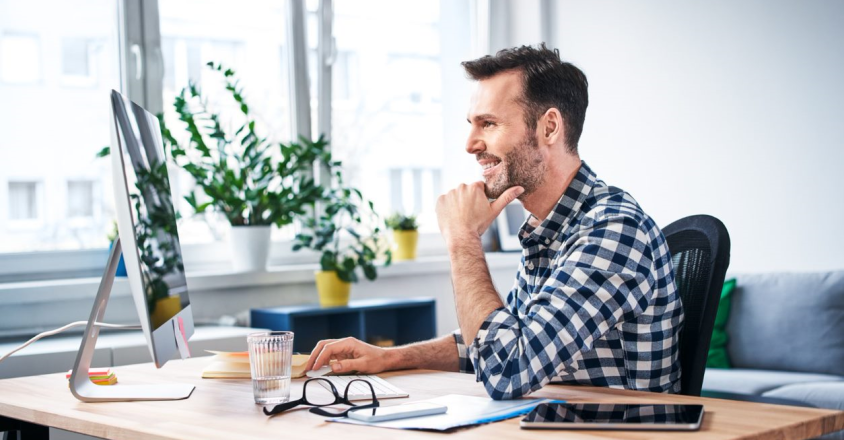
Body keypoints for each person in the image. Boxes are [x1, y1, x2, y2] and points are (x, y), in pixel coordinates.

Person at [305, 43, 683, 400]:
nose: (470, 144)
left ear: (549, 127)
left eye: (488, 124)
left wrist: (462, 238)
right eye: (472, 124)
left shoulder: (612, 231)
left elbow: (507, 368)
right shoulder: (550, 230)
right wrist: (390, 358)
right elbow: (495, 345)